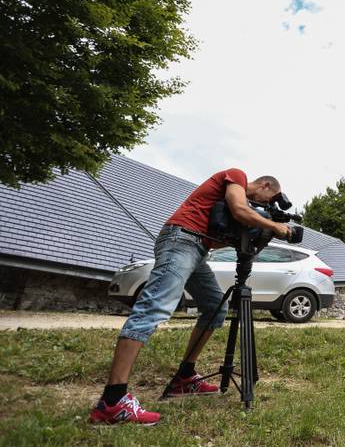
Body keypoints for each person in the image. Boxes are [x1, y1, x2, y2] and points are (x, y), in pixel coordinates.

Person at [89, 168, 291, 425]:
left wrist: (258, 231)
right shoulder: (236, 175)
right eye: (267, 201)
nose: (263, 206)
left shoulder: (225, 206)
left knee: (215, 307)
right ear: (264, 185)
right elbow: (241, 210)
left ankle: (184, 379)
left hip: (197, 246)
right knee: (154, 307)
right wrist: (274, 225)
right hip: (182, 239)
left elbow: (218, 239)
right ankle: (112, 401)